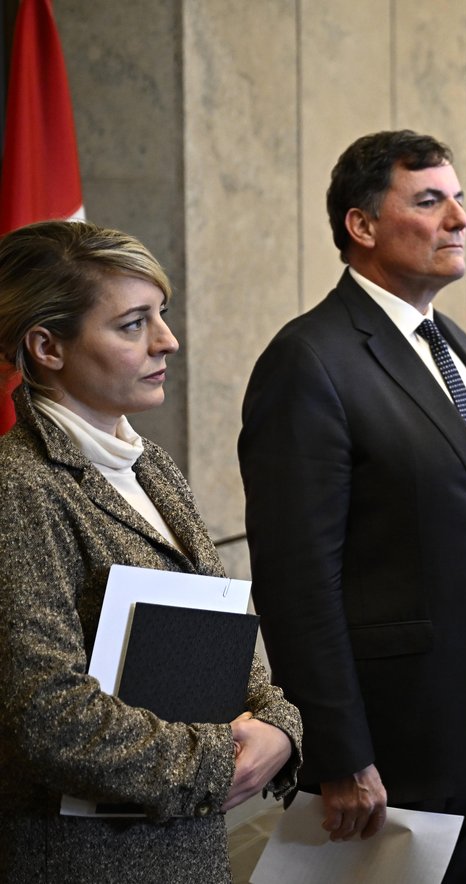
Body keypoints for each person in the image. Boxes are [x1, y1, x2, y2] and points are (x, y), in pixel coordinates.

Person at [238, 130, 466, 883]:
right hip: (394, 734)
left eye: (458, 199)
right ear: (362, 225)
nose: (459, 218)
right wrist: (339, 749)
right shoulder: (310, 360)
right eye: (430, 201)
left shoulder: (448, 339)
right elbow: (297, 580)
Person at [0, 220, 300, 882]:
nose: (168, 340)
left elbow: (218, 637)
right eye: (134, 324)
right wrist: (222, 758)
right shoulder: (22, 486)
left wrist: (280, 725)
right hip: (87, 861)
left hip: (181, 842)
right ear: (47, 346)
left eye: (160, 315)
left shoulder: (149, 464)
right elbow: (46, 715)